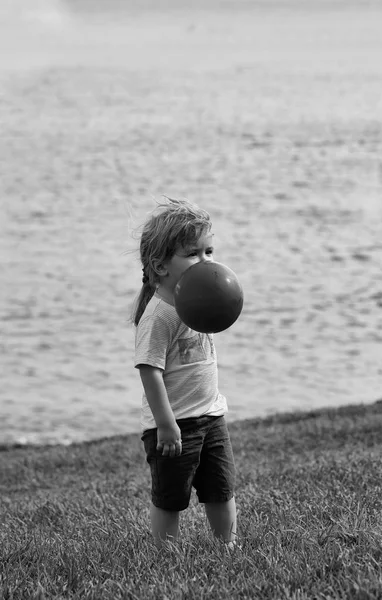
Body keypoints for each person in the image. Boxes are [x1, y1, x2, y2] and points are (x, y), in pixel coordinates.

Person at [133, 197, 237, 548]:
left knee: (221, 488)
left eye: (209, 251)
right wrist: (165, 424)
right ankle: (166, 552)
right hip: (174, 424)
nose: (206, 262)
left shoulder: (201, 300)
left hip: (210, 415)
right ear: (161, 266)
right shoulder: (160, 315)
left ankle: (228, 546)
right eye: (194, 254)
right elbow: (150, 371)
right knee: (170, 496)